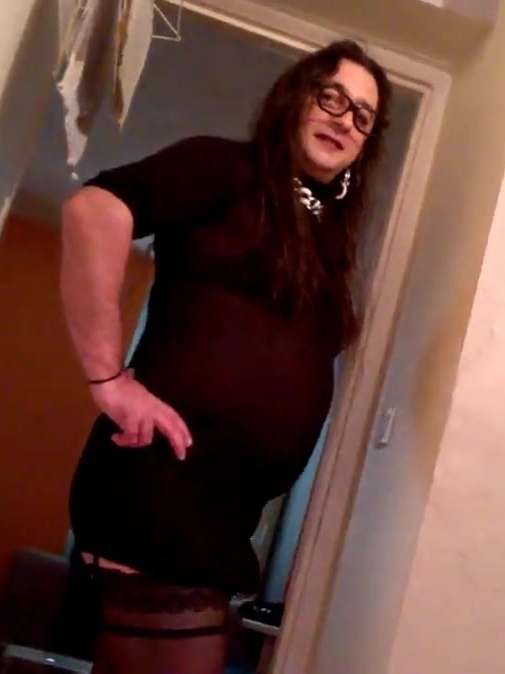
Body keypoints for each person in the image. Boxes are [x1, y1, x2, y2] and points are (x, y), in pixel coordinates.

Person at [57, 39, 393, 674]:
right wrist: (108, 378)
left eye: (363, 115)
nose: (345, 120)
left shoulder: (327, 237)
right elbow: (93, 211)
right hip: (161, 481)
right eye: (331, 97)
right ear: (295, 100)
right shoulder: (225, 168)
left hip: (226, 513)